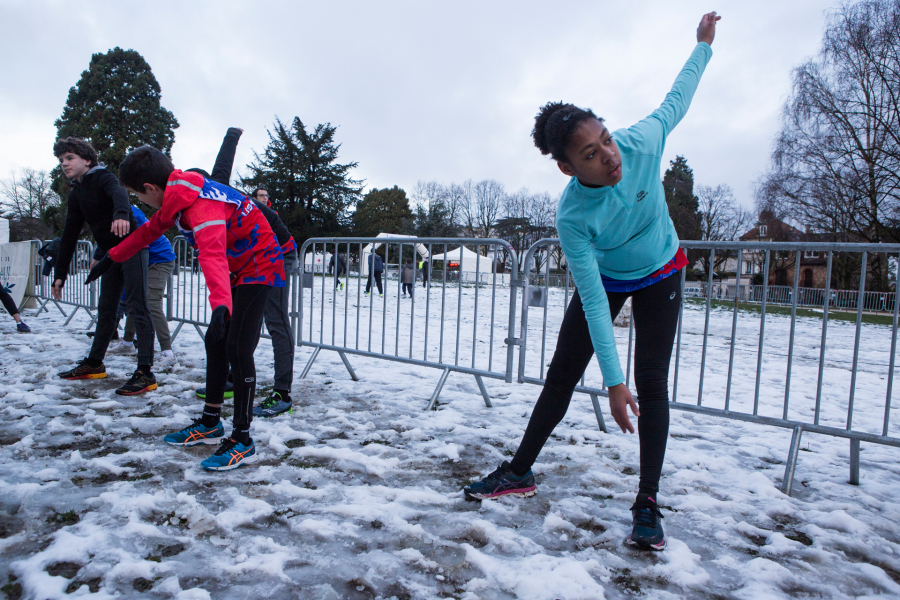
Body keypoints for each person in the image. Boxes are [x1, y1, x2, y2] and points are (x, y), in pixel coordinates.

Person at [463, 12, 721, 552]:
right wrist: (611, 380)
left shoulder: (641, 142)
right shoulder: (573, 215)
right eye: (590, 154)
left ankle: (647, 501)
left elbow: (678, 98)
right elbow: (597, 303)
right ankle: (519, 471)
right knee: (560, 376)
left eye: (605, 139)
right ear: (566, 168)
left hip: (662, 271)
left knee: (652, 381)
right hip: (610, 277)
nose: (609, 156)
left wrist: (702, 47)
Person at [91, 145, 286, 471]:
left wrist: (221, 305)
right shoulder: (177, 194)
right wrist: (113, 256)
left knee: (237, 348)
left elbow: (212, 257)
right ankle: (211, 423)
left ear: (151, 189)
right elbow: (150, 231)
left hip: (259, 263)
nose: (139, 201)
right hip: (237, 264)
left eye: (137, 196)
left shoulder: (200, 208)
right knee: (215, 340)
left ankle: (243, 439)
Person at [187, 127, 298, 418]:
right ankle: (234, 379)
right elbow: (222, 163)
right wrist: (231, 135)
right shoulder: (201, 199)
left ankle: (282, 392)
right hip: (248, 258)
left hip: (278, 252)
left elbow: (221, 167)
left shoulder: (214, 190)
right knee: (240, 319)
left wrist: (232, 135)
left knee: (274, 319)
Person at [52, 137, 157, 395]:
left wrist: (121, 214)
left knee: (137, 305)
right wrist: (60, 274)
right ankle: (95, 363)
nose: (64, 164)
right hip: (112, 255)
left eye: (69, 158)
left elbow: (119, 191)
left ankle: (145, 372)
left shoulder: (103, 177)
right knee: (106, 309)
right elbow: (68, 236)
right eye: (61, 160)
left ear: (87, 160)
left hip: (133, 248)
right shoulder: (77, 194)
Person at [101, 205, 177, 366]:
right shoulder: (108, 213)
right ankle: (127, 344)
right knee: (134, 300)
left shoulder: (129, 214)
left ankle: (167, 352)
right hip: (141, 259)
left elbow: (134, 242)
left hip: (159, 260)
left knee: (151, 302)